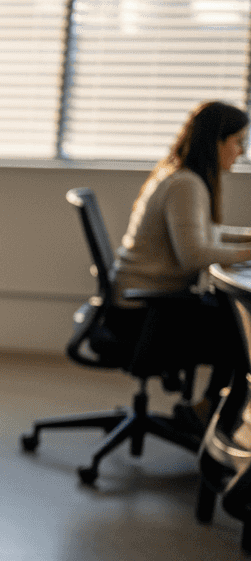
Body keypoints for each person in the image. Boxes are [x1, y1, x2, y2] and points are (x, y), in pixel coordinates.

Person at [110, 100, 251, 420]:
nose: (241, 152)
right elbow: (194, 255)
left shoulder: (180, 175)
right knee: (240, 328)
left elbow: (205, 235)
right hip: (145, 312)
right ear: (217, 142)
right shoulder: (186, 184)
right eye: (238, 142)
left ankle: (210, 409)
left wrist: (247, 237)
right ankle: (214, 414)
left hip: (144, 303)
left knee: (232, 315)